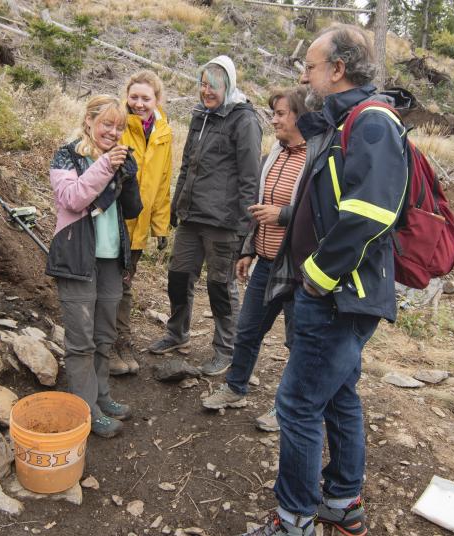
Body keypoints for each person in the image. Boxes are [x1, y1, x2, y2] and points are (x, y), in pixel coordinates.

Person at [239, 24, 409, 536]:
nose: (303, 75)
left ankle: (293, 519)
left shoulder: (372, 122)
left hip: (337, 295)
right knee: (338, 396)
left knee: (296, 403)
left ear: (337, 69)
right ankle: (341, 501)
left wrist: (315, 275)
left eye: (309, 67)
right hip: (340, 294)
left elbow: (370, 213)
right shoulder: (343, 121)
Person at [201, 86, 308, 433]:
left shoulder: (316, 157)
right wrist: (248, 248)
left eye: (280, 114)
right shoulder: (275, 152)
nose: (273, 120)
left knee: (297, 343)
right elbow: (258, 207)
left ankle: (286, 408)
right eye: (273, 113)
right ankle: (235, 389)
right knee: (247, 331)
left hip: (298, 269)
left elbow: (320, 213)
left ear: (300, 116)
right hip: (266, 260)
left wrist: (284, 215)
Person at [148, 55, 262, 376]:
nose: (205, 91)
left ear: (228, 85)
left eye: (213, 85)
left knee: (220, 287)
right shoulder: (202, 116)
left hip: (224, 223)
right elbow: (187, 165)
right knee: (179, 276)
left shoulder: (244, 120)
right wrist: (175, 205)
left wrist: (244, 230)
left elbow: (250, 179)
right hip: (192, 216)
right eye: (202, 84)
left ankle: (227, 349)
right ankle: (177, 333)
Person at [46, 95, 143, 439]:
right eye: (107, 124)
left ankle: (101, 397)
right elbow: (72, 199)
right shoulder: (68, 154)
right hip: (76, 258)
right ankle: (85, 411)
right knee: (81, 341)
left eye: (119, 127)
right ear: (89, 120)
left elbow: (131, 210)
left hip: (110, 260)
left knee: (104, 336)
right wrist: (105, 167)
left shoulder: (115, 159)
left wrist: (129, 178)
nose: (114, 132)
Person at [110, 70, 174, 377]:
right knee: (112, 285)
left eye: (145, 98)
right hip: (113, 220)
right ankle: (112, 344)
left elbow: (162, 184)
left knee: (124, 284)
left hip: (140, 224)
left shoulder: (164, 132)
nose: (138, 103)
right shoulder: (118, 124)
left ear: (156, 100)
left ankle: (120, 342)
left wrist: (161, 228)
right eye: (133, 97)